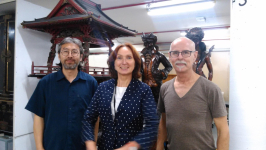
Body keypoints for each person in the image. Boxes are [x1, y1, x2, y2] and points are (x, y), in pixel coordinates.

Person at [25, 37, 98, 150]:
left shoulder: (91, 83)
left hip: (81, 146)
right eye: (65, 51)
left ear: (81, 56)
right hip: (53, 145)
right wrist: (39, 148)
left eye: (74, 52)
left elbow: (95, 118)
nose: (70, 55)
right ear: (59, 55)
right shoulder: (45, 83)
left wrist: (93, 144)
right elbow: (39, 116)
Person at [82, 43, 159, 150]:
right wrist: (90, 144)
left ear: (135, 62)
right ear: (114, 62)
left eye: (129, 57)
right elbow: (88, 119)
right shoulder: (103, 88)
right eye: (119, 58)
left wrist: (131, 147)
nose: (124, 62)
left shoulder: (143, 90)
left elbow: (153, 124)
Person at [156, 37, 229, 150]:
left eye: (186, 52)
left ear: (194, 55)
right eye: (175, 53)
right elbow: (164, 123)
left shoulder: (211, 89)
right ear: (170, 56)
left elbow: (223, 130)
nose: (180, 57)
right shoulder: (165, 88)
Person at [140, 33, 172, 103]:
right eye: (146, 43)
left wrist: (162, 73)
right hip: (144, 84)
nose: (148, 45)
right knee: (145, 102)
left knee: (158, 102)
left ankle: (158, 113)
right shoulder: (141, 57)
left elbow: (169, 66)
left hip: (156, 83)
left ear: (153, 43)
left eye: (149, 43)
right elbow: (139, 69)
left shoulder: (160, 55)